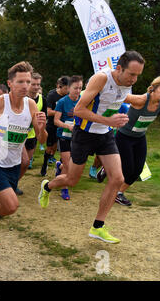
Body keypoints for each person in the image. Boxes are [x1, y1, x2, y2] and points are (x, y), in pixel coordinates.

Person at [38, 50, 145, 244]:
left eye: (138, 75)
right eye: (131, 74)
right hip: (84, 134)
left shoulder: (126, 85)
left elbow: (129, 100)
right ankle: (48, 186)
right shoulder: (101, 79)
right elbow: (78, 110)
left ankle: (98, 226)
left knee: (117, 178)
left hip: (105, 135)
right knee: (72, 179)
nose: (134, 79)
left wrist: (150, 99)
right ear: (119, 68)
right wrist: (108, 120)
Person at [0, 61, 47, 248]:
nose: (25, 86)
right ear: (10, 83)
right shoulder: (0, 103)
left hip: (14, 164)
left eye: (28, 82)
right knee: (12, 205)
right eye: (20, 82)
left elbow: (42, 139)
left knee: (8, 205)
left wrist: (41, 127)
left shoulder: (31, 105)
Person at [113, 75, 160, 206]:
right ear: (153, 89)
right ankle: (109, 168)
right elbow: (120, 97)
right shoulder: (140, 100)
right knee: (128, 170)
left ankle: (119, 193)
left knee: (138, 170)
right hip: (124, 137)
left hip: (140, 138)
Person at [53, 75, 83, 200]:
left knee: (72, 164)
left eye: (80, 88)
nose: (78, 91)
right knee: (68, 164)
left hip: (78, 137)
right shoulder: (62, 102)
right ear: (69, 88)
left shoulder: (83, 100)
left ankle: (59, 167)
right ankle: (64, 188)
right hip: (64, 136)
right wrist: (67, 126)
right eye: (75, 88)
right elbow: (56, 121)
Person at [41, 76, 70, 176]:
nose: (68, 91)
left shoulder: (69, 96)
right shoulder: (52, 95)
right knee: (50, 148)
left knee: (64, 148)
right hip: (52, 125)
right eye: (66, 88)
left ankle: (61, 168)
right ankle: (44, 164)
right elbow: (48, 112)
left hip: (64, 125)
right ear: (60, 87)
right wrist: (60, 112)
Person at [23, 73, 47, 171]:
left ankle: (14, 184)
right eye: (33, 84)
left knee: (26, 163)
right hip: (17, 132)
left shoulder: (42, 99)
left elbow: (44, 118)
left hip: (32, 134)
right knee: (18, 162)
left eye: (38, 84)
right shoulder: (21, 97)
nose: (36, 87)